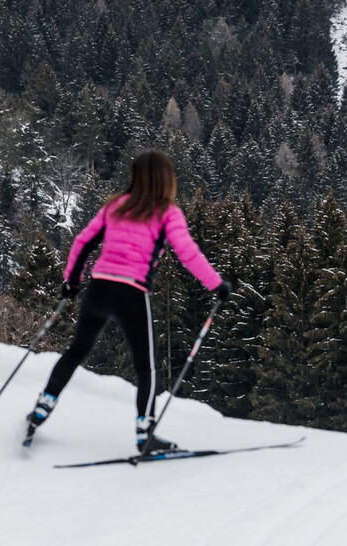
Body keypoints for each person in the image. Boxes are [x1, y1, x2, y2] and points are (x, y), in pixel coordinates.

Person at [25, 150, 232, 454]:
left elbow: (84, 241)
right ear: (167, 179)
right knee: (146, 367)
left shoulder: (117, 206)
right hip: (131, 293)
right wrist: (217, 284)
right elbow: (188, 253)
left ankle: (42, 408)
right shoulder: (167, 212)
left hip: (98, 288)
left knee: (75, 352)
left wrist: (72, 281)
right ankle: (144, 434)